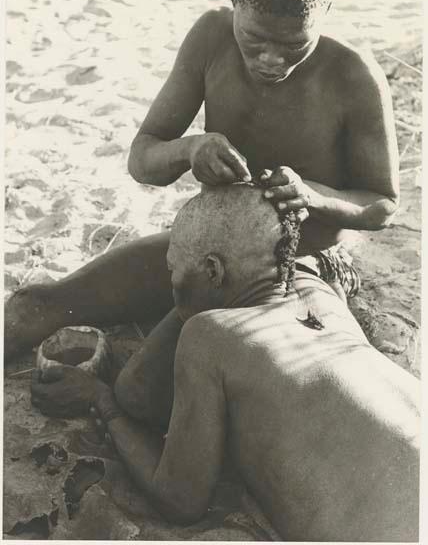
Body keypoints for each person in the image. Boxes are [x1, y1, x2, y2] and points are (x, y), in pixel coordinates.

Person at [5, 0, 399, 403]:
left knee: (148, 393)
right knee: (33, 308)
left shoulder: (353, 77)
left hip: (298, 264)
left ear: (327, 13)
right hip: (206, 254)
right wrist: (190, 149)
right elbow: (143, 159)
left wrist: (312, 195)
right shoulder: (211, 39)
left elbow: (381, 204)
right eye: (255, 40)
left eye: (294, 45)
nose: (273, 60)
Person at [31, 184, 419, 542]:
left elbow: (180, 500)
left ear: (213, 271)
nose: (170, 283)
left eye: (172, 270)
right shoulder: (326, 303)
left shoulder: (209, 334)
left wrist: (102, 401)